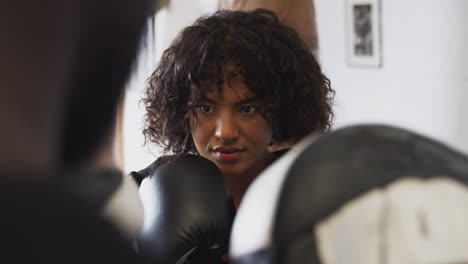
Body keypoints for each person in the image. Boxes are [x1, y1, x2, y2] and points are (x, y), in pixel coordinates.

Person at [140, 8, 335, 207]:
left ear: (280, 109)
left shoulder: (311, 190)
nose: (225, 132)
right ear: (182, 111)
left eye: (247, 109)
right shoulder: (148, 188)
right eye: (206, 108)